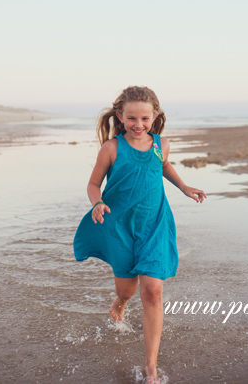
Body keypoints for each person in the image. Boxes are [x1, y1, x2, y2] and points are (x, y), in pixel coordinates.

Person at [73, 86, 206, 384]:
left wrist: (184, 187)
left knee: (152, 291)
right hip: (120, 227)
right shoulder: (111, 148)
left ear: (154, 116)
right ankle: (118, 304)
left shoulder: (161, 145)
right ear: (120, 117)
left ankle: (150, 368)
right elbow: (93, 184)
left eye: (144, 118)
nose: (138, 124)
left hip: (154, 225)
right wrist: (97, 202)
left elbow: (163, 166)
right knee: (127, 290)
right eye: (131, 118)